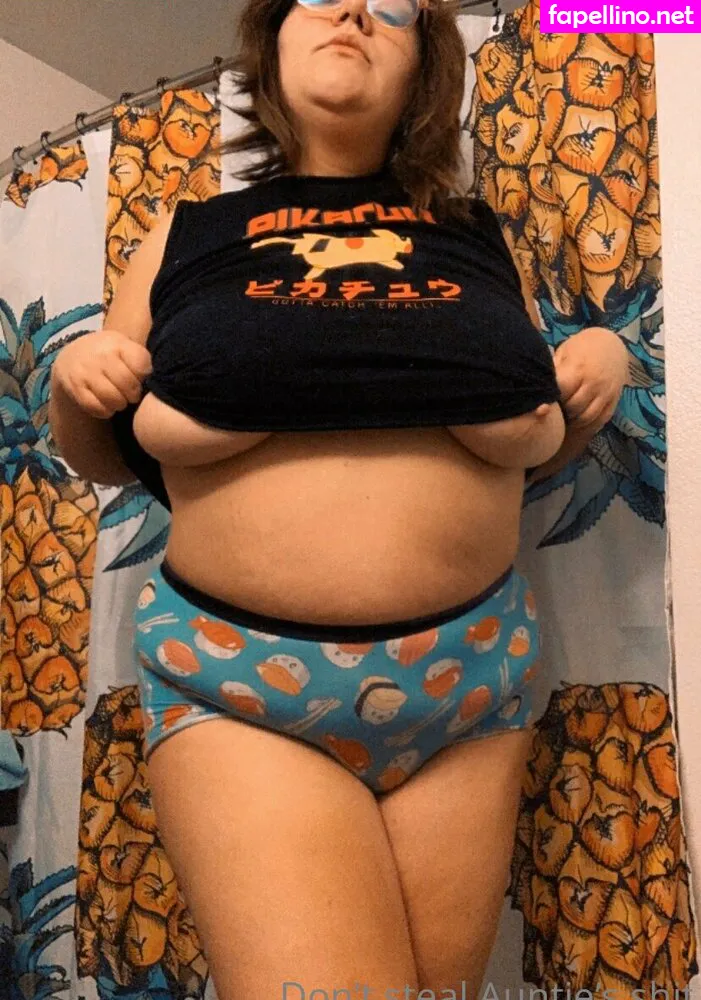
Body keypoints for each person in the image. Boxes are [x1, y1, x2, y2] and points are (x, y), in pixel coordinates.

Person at [48, 0, 629, 995]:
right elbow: (103, 455)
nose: (355, 9)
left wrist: (594, 369)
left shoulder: (472, 234)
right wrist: (75, 382)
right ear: (273, 39)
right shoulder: (188, 231)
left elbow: (522, 446)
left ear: (423, 71)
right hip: (242, 687)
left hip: (468, 682)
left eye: (393, 8)